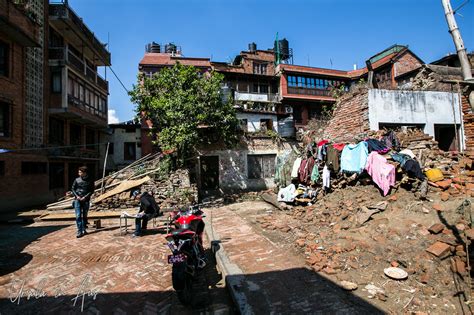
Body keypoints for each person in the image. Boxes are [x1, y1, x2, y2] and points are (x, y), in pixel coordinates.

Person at [71, 166, 94, 238]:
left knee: (84, 216)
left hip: (86, 200)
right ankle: (79, 231)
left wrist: (85, 197)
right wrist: (77, 196)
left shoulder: (90, 180)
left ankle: (84, 229)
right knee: (78, 216)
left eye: (80, 172)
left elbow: (91, 191)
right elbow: (73, 188)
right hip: (77, 200)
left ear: (84, 173)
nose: (79, 173)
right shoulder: (77, 180)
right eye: (79, 172)